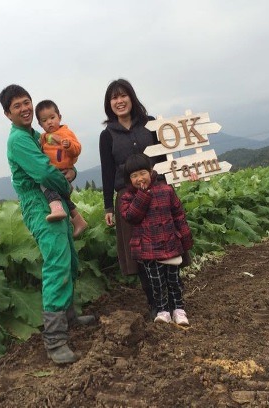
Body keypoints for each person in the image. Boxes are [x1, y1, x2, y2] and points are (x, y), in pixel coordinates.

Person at [0, 84, 94, 365]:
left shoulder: (36, 135)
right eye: (17, 106)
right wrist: (65, 181)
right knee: (57, 262)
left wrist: (72, 170)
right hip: (38, 205)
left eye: (27, 102)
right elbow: (43, 170)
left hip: (54, 200)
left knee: (69, 258)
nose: (25, 108)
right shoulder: (18, 139)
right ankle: (54, 340)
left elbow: (61, 158)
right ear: (8, 114)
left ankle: (69, 315)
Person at [99, 78, 167, 317]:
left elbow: (165, 158)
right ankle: (155, 303)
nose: (119, 101)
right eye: (114, 97)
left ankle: (173, 300)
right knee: (141, 252)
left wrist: (171, 183)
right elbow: (107, 172)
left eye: (123, 95)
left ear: (132, 97)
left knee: (165, 244)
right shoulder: (107, 135)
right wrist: (108, 206)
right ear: (109, 104)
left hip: (157, 191)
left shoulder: (151, 124)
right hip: (128, 199)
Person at [119, 153, 193, 325]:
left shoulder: (166, 190)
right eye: (134, 176)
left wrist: (185, 238)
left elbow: (179, 215)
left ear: (151, 172)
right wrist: (143, 195)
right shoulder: (127, 197)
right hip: (147, 249)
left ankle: (179, 310)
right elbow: (131, 217)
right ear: (129, 179)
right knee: (156, 283)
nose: (140, 178)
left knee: (174, 280)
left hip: (170, 243)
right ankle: (162, 310)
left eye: (143, 173)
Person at [35, 100, 88, 238]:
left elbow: (77, 149)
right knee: (64, 197)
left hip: (61, 172)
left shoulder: (66, 133)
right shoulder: (43, 137)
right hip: (55, 171)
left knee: (44, 183)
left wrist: (68, 145)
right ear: (40, 124)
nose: (49, 122)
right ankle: (79, 221)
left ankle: (56, 208)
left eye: (52, 118)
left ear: (60, 117)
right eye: (44, 120)